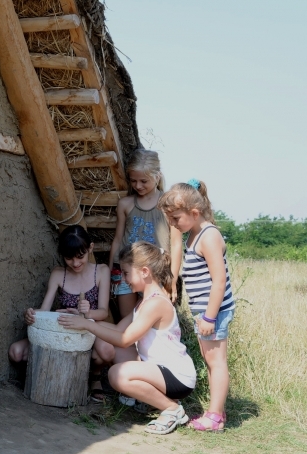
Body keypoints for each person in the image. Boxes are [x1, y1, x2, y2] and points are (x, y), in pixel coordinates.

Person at [59, 241, 196, 435]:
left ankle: (172, 409)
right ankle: (155, 400)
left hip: (177, 376)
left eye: (126, 273)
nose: (123, 279)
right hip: (161, 371)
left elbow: (124, 339)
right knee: (112, 347)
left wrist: (88, 325)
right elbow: (116, 330)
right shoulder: (144, 302)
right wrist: (83, 319)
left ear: (145, 272)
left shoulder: (156, 303)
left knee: (117, 375)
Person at [158, 179, 235, 433]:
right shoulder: (192, 234)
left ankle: (214, 417)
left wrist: (210, 317)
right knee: (211, 360)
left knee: (217, 362)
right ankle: (216, 413)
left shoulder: (209, 235)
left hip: (213, 312)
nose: (173, 224)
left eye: (175, 218)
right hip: (204, 311)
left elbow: (219, 280)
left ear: (194, 213)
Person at [8, 225, 114, 367]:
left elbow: (103, 312)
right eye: (69, 258)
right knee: (16, 352)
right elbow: (45, 309)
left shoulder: (101, 271)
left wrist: (87, 313)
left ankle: (93, 376)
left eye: (80, 257)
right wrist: (30, 314)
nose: (75, 263)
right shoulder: (58, 274)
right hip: (62, 328)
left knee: (106, 352)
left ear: (90, 248)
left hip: (89, 329)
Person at [109, 149, 183, 319]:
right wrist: (112, 272)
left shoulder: (169, 205)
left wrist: (172, 279)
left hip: (156, 274)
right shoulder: (125, 204)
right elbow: (118, 240)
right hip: (126, 272)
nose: (138, 186)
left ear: (157, 176)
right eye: (133, 181)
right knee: (127, 321)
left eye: (144, 181)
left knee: (151, 324)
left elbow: (176, 244)